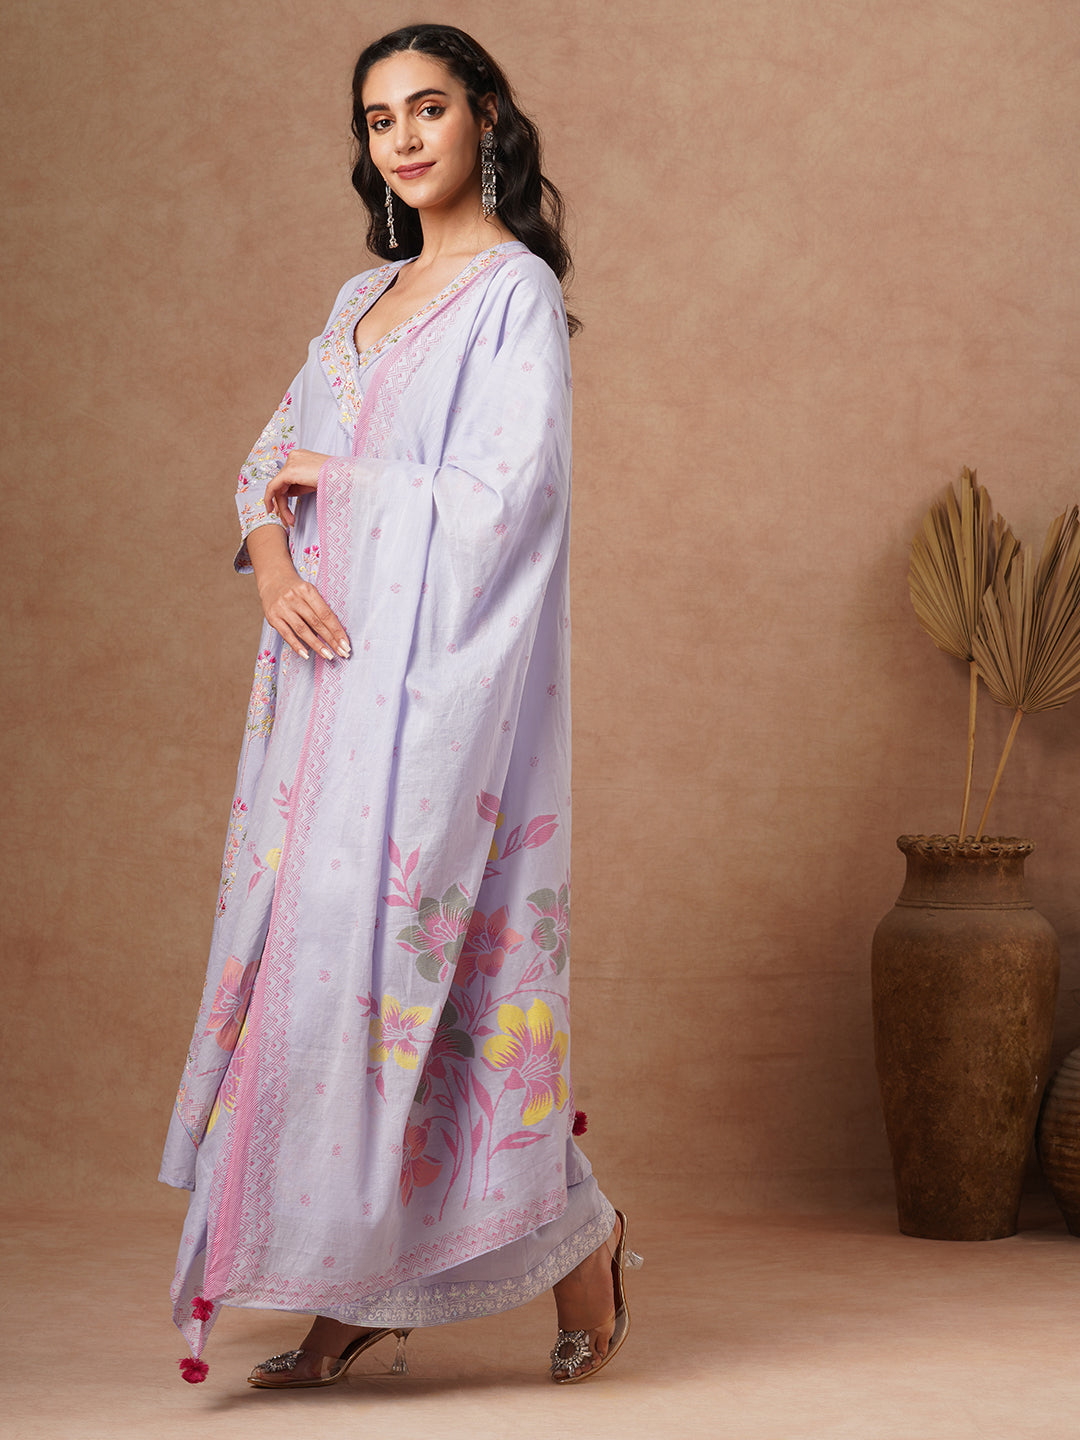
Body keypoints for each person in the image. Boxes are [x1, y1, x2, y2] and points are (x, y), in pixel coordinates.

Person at [160, 22, 639, 1390]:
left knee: (419, 982)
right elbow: (270, 461)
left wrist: (346, 489)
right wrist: (273, 565)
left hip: (431, 715)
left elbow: (511, 498)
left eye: (430, 108)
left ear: (484, 115)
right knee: (323, 984)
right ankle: (353, 1290)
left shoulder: (511, 294)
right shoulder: (358, 299)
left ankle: (576, 1242)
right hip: (321, 705)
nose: (407, 139)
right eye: (381, 121)